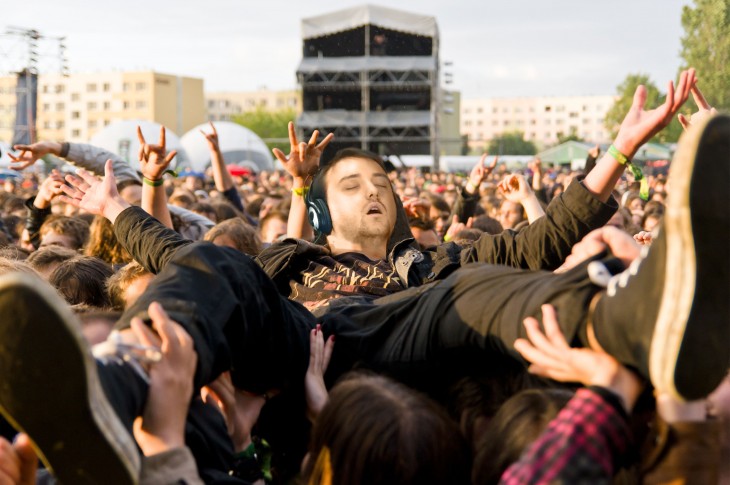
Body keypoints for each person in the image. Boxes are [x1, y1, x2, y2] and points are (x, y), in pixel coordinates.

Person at [3, 71, 728, 482]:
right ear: (321, 209)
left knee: (470, 290)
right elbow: (174, 254)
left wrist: (623, 147)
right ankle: (112, 387)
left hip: (409, 343)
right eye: (351, 183)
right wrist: (114, 205)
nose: (373, 189)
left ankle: (638, 317)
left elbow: (542, 238)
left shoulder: (431, 263)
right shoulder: (292, 259)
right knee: (220, 267)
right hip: (304, 349)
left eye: (381, 180)